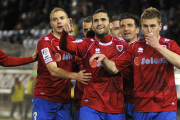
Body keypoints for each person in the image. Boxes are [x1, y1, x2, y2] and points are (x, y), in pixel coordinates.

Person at [89, 7, 180, 120]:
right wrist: (104, 59)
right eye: (145, 26)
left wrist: (157, 46)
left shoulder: (170, 44)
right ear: (141, 27)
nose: (149, 30)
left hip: (166, 106)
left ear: (160, 26)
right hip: (142, 107)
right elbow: (114, 69)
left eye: (153, 26)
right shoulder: (134, 47)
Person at [60, 9, 128, 120]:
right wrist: (64, 33)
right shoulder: (86, 44)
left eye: (103, 20)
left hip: (115, 106)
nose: (99, 23)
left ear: (111, 24)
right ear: (92, 26)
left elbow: (117, 69)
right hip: (91, 104)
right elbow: (65, 46)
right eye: (96, 20)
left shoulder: (122, 45)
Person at [33, 7, 91, 120]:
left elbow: (76, 63)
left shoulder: (71, 39)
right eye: (55, 19)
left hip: (64, 98)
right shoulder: (44, 42)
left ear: (68, 21)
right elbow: (53, 70)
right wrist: (76, 76)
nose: (59, 21)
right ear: (51, 24)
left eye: (62, 18)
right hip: (45, 98)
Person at [119, 13, 140, 120]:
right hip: (117, 103)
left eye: (130, 25)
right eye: (122, 26)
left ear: (137, 30)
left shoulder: (145, 50)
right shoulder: (114, 50)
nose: (126, 29)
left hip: (138, 103)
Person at [73, 16, 93, 120]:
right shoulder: (77, 48)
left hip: (102, 103)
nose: (88, 32)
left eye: (91, 29)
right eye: (86, 30)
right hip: (80, 102)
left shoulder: (107, 48)